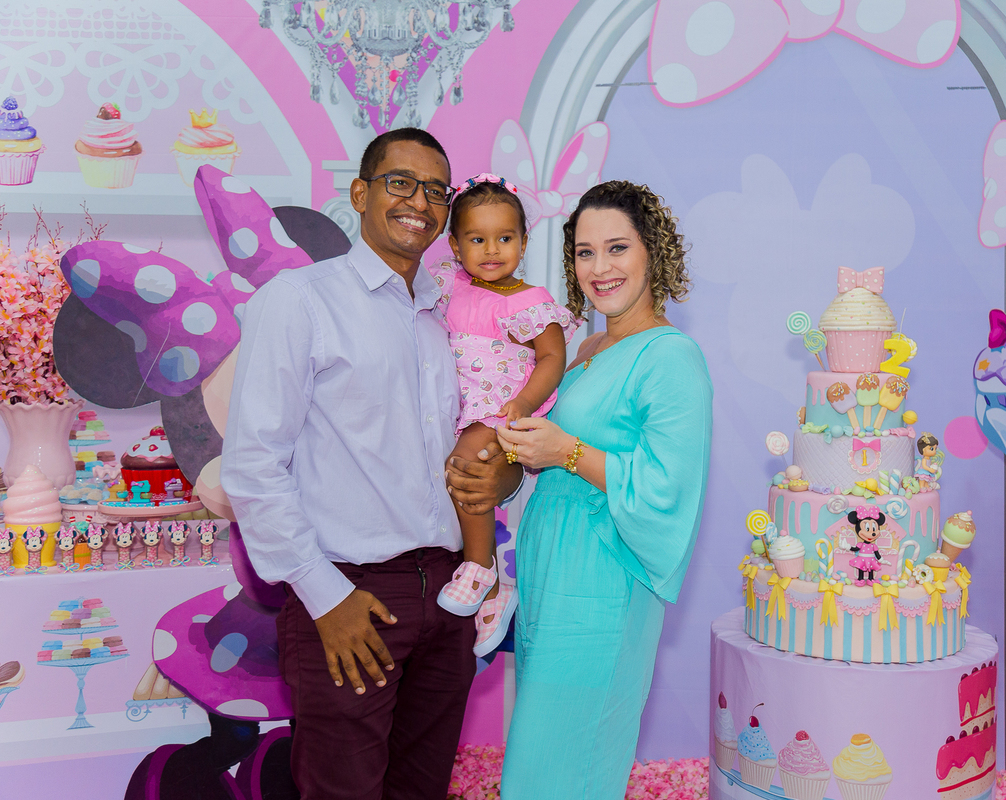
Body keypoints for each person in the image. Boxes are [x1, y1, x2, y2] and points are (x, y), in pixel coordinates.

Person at [221, 128, 522, 800]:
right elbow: (252, 465)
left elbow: (476, 441)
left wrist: (505, 476)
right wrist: (324, 596)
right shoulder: (301, 299)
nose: (419, 201)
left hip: (448, 593)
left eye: (436, 190)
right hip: (350, 594)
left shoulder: (449, 316)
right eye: (400, 183)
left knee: (421, 789)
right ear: (360, 194)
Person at [495, 180, 714, 798]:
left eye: (617, 248)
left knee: (564, 764)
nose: (600, 268)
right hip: (551, 570)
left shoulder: (671, 357)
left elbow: (667, 487)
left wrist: (564, 451)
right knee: (543, 757)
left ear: (652, 252)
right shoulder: (589, 347)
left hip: (605, 574)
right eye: (585, 253)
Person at [428, 173, 579, 656]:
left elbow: (552, 357)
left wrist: (525, 403)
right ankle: (494, 592)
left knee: (468, 470)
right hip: (457, 405)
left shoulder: (531, 301)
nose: (492, 250)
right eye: (477, 239)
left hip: (500, 405)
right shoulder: (448, 286)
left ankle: (479, 567)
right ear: (455, 245)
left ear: (524, 242)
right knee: (455, 476)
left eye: (505, 238)